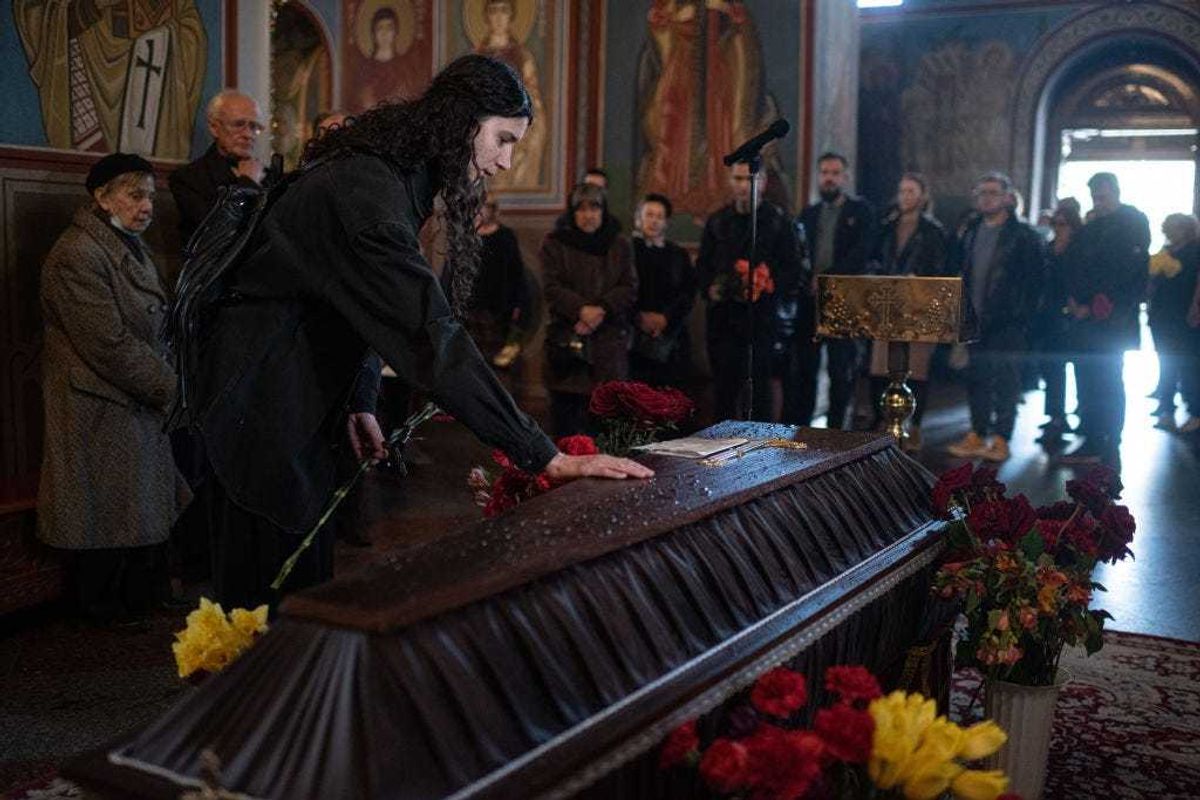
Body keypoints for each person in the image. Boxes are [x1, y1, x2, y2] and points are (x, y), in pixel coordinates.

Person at [181, 55, 651, 609]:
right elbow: (432, 338)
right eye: (502, 139)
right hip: (259, 403)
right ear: (461, 122)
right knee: (266, 604)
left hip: (292, 395)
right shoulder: (369, 190)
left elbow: (353, 302)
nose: (505, 162)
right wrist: (543, 454)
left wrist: (359, 400)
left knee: (299, 590)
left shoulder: (390, 176)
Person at [38, 154, 191, 624]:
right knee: (106, 509)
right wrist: (172, 390)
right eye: (134, 195)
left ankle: (141, 595)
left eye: (150, 196)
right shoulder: (78, 254)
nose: (146, 207)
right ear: (102, 198)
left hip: (131, 396)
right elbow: (108, 345)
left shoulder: (123, 244)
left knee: (138, 502)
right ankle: (99, 607)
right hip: (98, 400)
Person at [945, 172, 1046, 463]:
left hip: (1008, 321)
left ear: (1007, 198)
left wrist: (1022, 316)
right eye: (982, 193)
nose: (987, 198)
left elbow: (1036, 282)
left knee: (1006, 381)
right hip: (973, 317)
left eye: (993, 192)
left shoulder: (1024, 236)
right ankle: (977, 432)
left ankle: (1002, 438)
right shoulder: (970, 231)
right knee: (976, 378)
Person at [698, 161, 804, 422]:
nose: (743, 186)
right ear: (730, 181)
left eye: (749, 179)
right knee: (724, 390)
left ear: (763, 182)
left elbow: (793, 271)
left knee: (760, 393)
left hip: (762, 320)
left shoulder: (779, 222)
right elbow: (703, 266)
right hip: (724, 320)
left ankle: (760, 445)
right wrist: (711, 288)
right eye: (738, 179)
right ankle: (722, 444)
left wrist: (765, 282)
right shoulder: (717, 221)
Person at [1058, 173, 1149, 467]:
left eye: (1103, 195)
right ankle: (1092, 436)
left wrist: (1097, 301)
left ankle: (1108, 440)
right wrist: (1075, 299)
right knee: (1087, 378)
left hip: (1113, 318)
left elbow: (1128, 268)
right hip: (1086, 317)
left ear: (1115, 192)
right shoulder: (1092, 227)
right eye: (1095, 196)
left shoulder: (1133, 222)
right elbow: (1074, 264)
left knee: (1107, 379)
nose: (1098, 201)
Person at [541, 182, 638, 435]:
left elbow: (629, 287)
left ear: (603, 211)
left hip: (609, 345)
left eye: (594, 208)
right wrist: (581, 310)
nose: (588, 215)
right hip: (568, 343)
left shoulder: (619, 244)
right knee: (567, 428)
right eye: (581, 209)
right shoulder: (555, 243)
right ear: (572, 212)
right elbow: (551, 286)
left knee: (606, 427)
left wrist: (601, 309)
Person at [866, 173, 947, 451]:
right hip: (888, 304)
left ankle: (914, 426)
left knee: (917, 368)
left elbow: (940, 267)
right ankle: (883, 421)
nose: (905, 196)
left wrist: (919, 279)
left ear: (922, 195)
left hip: (918, 306)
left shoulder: (933, 231)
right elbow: (874, 259)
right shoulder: (886, 226)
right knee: (881, 364)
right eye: (902, 191)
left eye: (911, 191)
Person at [796, 152, 877, 429]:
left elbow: (862, 253)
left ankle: (836, 430)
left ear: (845, 177)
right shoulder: (809, 214)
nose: (829, 178)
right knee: (805, 368)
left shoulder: (861, 212)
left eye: (834, 173)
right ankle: (803, 430)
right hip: (810, 301)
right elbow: (799, 251)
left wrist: (828, 279)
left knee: (841, 370)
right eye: (824, 173)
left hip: (844, 300)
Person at [440, 192, 528, 371]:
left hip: (498, 310)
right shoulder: (463, 236)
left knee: (493, 365)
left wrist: (518, 305)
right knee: (466, 364)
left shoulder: (505, 237)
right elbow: (450, 273)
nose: (479, 212)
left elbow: (516, 274)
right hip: (466, 309)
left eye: (483, 207)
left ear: (492, 210)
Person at [169, 90, 269, 245]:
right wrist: (247, 184)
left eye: (254, 127)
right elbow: (216, 232)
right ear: (214, 128)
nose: (248, 135)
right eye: (239, 124)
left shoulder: (269, 175)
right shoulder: (188, 178)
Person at [1031, 199, 1083, 448]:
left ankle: (1071, 415)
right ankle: (1055, 415)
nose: (1059, 228)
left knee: (1070, 369)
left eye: (1063, 224)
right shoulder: (1050, 247)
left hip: (1070, 316)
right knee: (1051, 369)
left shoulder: (1079, 250)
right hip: (1049, 315)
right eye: (1056, 224)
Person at [630, 193, 696, 388]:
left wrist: (666, 319)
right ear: (638, 218)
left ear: (666, 222)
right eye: (649, 215)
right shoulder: (626, 251)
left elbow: (688, 292)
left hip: (671, 334)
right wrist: (639, 318)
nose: (654, 221)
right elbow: (622, 289)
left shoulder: (678, 254)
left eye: (660, 216)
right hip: (632, 333)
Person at [1147, 213, 1200, 433]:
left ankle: (1195, 412)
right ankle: (1166, 409)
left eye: (1173, 227)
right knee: (1166, 362)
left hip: (1184, 313)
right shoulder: (1166, 251)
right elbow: (1153, 281)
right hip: (1162, 314)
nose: (1168, 232)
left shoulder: (1195, 251)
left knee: (1189, 364)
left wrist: (1195, 307)